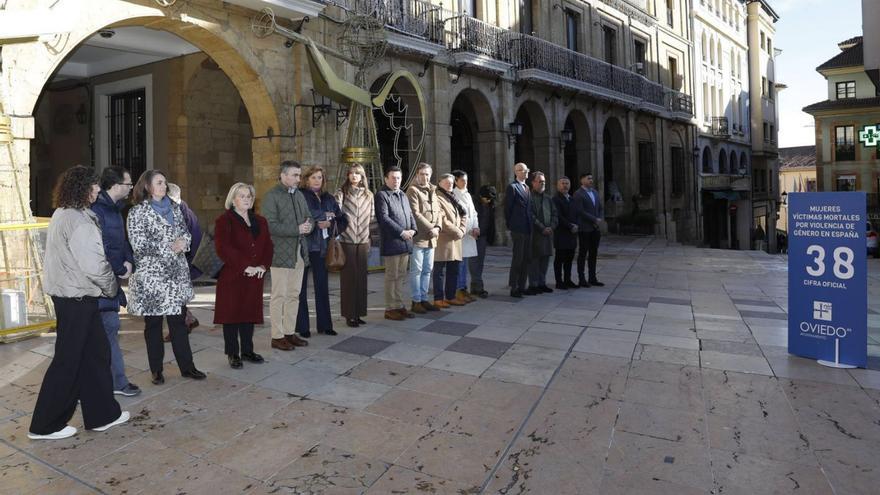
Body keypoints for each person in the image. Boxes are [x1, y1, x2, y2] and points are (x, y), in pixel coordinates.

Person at [28, 165, 129, 440]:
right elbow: (95, 266)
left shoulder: (64, 213)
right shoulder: (81, 222)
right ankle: (45, 425)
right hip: (78, 298)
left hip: (73, 296)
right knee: (68, 361)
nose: (98, 189)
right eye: (94, 186)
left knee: (95, 355)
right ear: (82, 188)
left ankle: (103, 415)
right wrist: (112, 289)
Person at [127, 170, 205, 384]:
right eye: (159, 183)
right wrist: (170, 247)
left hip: (176, 276)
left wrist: (184, 243)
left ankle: (187, 367)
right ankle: (156, 370)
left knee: (178, 323)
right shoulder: (137, 213)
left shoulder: (175, 208)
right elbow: (138, 245)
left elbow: (185, 233)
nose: (164, 186)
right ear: (147, 187)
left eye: (164, 183)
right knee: (153, 325)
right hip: (152, 277)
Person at [91, 166, 140, 397]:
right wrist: (121, 268)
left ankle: (116, 382)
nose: (130, 188)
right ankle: (113, 383)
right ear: (116, 185)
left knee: (109, 331)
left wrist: (129, 262)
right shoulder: (98, 210)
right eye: (128, 184)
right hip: (101, 282)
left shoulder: (116, 209)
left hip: (112, 281)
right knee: (106, 332)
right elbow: (102, 247)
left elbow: (122, 241)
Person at [214, 183, 273, 369]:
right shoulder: (224, 221)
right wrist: (245, 266)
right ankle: (233, 353)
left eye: (249, 196)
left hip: (255, 276)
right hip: (233, 275)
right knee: (231, 315)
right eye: (242, 196)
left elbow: (268, 246)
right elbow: (223, 248)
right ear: (233, 200)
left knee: (249, 313)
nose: (246, 199)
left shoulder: (261, 221)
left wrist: (264, 265)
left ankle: (247, 350)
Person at [262, 161, 313, 351]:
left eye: (299, 175)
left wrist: (309, 226)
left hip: (299, 252)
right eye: (294, 175)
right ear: (283, 175)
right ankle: (277, 336)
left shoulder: (298, 195)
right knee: (279, 296)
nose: (298, 179)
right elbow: (269, 225)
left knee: (294, 295)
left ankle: (290, 333)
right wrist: (297, 229)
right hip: (280, 253)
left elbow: (309, 217)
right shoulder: (272, 196)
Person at [297, 165, 348, 337]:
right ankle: (302, 327)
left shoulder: (329, 198)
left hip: (322, 248)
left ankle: (325, 325)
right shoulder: (300, 195)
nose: (317, 181)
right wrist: (317, 221)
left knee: (322, 286)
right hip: (303, 246)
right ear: (306, 179)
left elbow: (342, 220)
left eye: (320, 177)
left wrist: (331, 223)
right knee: (300, 288)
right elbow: (299, 218)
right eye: (313, 177)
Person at [334, 164, 374, 328]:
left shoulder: (369, 194)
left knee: (361, 279)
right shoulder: (341, 193)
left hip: (363, 240)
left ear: (362, 175)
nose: (354, 176)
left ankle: (359, 313)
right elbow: (336, 214)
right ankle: (349, 315)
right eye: (351, 173)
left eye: (357, 173)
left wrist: (369, 236)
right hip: (347, 240)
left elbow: (372, 217)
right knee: (349, 279)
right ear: (348, 175)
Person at [375, 166, 417, 321]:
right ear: (386, 179)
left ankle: (399, 305)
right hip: (392, 241)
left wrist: (413, 229)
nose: (396, 181)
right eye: (393, 177)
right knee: (391, 276)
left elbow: (410, 214)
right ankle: (390, 308)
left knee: (401, 276)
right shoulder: (382, 195)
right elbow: (384, 219)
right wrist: (402, 232)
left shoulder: (403, 195)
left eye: (398, 178)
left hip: (405, 242)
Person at [406, 162, 441, 314]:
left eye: (427, 174)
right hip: (419, 237)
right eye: (422, 174)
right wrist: (431, 228)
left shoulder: (434, 190)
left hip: (432, 237)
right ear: (417, 175)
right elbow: (415, 213)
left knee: (428, 269)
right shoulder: (412, 190)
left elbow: (439, 211)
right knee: (417, 270)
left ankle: (424, 298)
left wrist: (438, 227)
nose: (425, 177)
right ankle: (416, 301)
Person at [167, 183, 202, 332]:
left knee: (174, 296)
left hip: (185, 260)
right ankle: (189, 320)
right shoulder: (184, 209)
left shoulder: (181, 212)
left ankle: (182, 325)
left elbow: (182, 241)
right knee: (175, 295)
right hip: (187, 260)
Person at [433, 173, 468, 308]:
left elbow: (463, 214)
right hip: (444, 239)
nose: (449, 185)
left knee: (454, 270)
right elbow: (442, 219)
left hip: (456, 239)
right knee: (439, 271)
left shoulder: (454, 197)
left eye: (451, 183)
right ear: (440, 183)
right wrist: (458, 231)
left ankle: (451, 296)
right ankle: (438, 298)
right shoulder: (437, 197)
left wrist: (462, 229)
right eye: (446, 183)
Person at [504, 162, 533, 297]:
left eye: (526, 170)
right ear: (516, 172)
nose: (525, 172)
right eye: (521, 170)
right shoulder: (512, 187)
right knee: (518, 258)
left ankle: (522, 285)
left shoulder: (527, 187)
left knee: (526, 258)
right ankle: (514, 287)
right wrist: (511, 225)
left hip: (528, 227)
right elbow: (507, 209)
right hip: (518, 228)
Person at [572, 173, 605, 287]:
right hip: (584, 228)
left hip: (595, 228)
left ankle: (592, 277)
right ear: (582, 180)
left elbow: (600, 207)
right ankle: (582, 278)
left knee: (593, 253)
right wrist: (594, 219)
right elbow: (580, 211)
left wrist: (599, 218)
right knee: (583, 253)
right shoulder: (578, 194)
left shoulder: (595, 192)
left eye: (591, 178)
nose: (591, 180)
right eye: (588, 178)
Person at [527, 171, 558, 294]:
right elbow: (530, 215)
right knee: (534, 260)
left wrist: (551, 227)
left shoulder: (548, 198)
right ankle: (533, 284)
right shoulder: (529, 197)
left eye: (544, 182)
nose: (542, 184)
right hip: (535, 234)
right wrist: (542, 227)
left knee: (545, 259)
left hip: (548, 234)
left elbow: (555, 214)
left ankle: (542, 283)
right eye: (540, 181)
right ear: (533, 183)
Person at [452, 170, 479, 303]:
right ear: (456, 181)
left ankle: (463, 288)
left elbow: (473, 213)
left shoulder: (467, 195)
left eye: (466, 180)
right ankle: (458, 289)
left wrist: (476, 227)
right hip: (461, 235)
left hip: (469, 235)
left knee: (465, 263)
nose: (465, 182)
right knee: (459, 264)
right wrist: (465, 229)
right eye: (462, 180)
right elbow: (456, 216)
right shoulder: (453, 195)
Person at [552, 176, 579, 290]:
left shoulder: (572, 199)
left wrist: (576, 225)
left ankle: (568, 280)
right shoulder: (556, 199)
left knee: (569, 258)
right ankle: (559, 281)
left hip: (572, 234)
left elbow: (576, 214)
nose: (565, 185)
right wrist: (570, 225)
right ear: (558, 186)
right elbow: (558, 216)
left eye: (567, 183)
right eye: (562, 183)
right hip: (561, 233)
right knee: (559, 259)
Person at [469, 185, 496, 298]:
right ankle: (479, 287)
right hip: (473, 236)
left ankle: (475, 287)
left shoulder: (490, 205)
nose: (488, 200)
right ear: (481, 196)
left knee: (480, 262)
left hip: (483, 236)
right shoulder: (474, 203)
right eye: (487, 198)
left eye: (490, 199)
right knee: (474, 262)